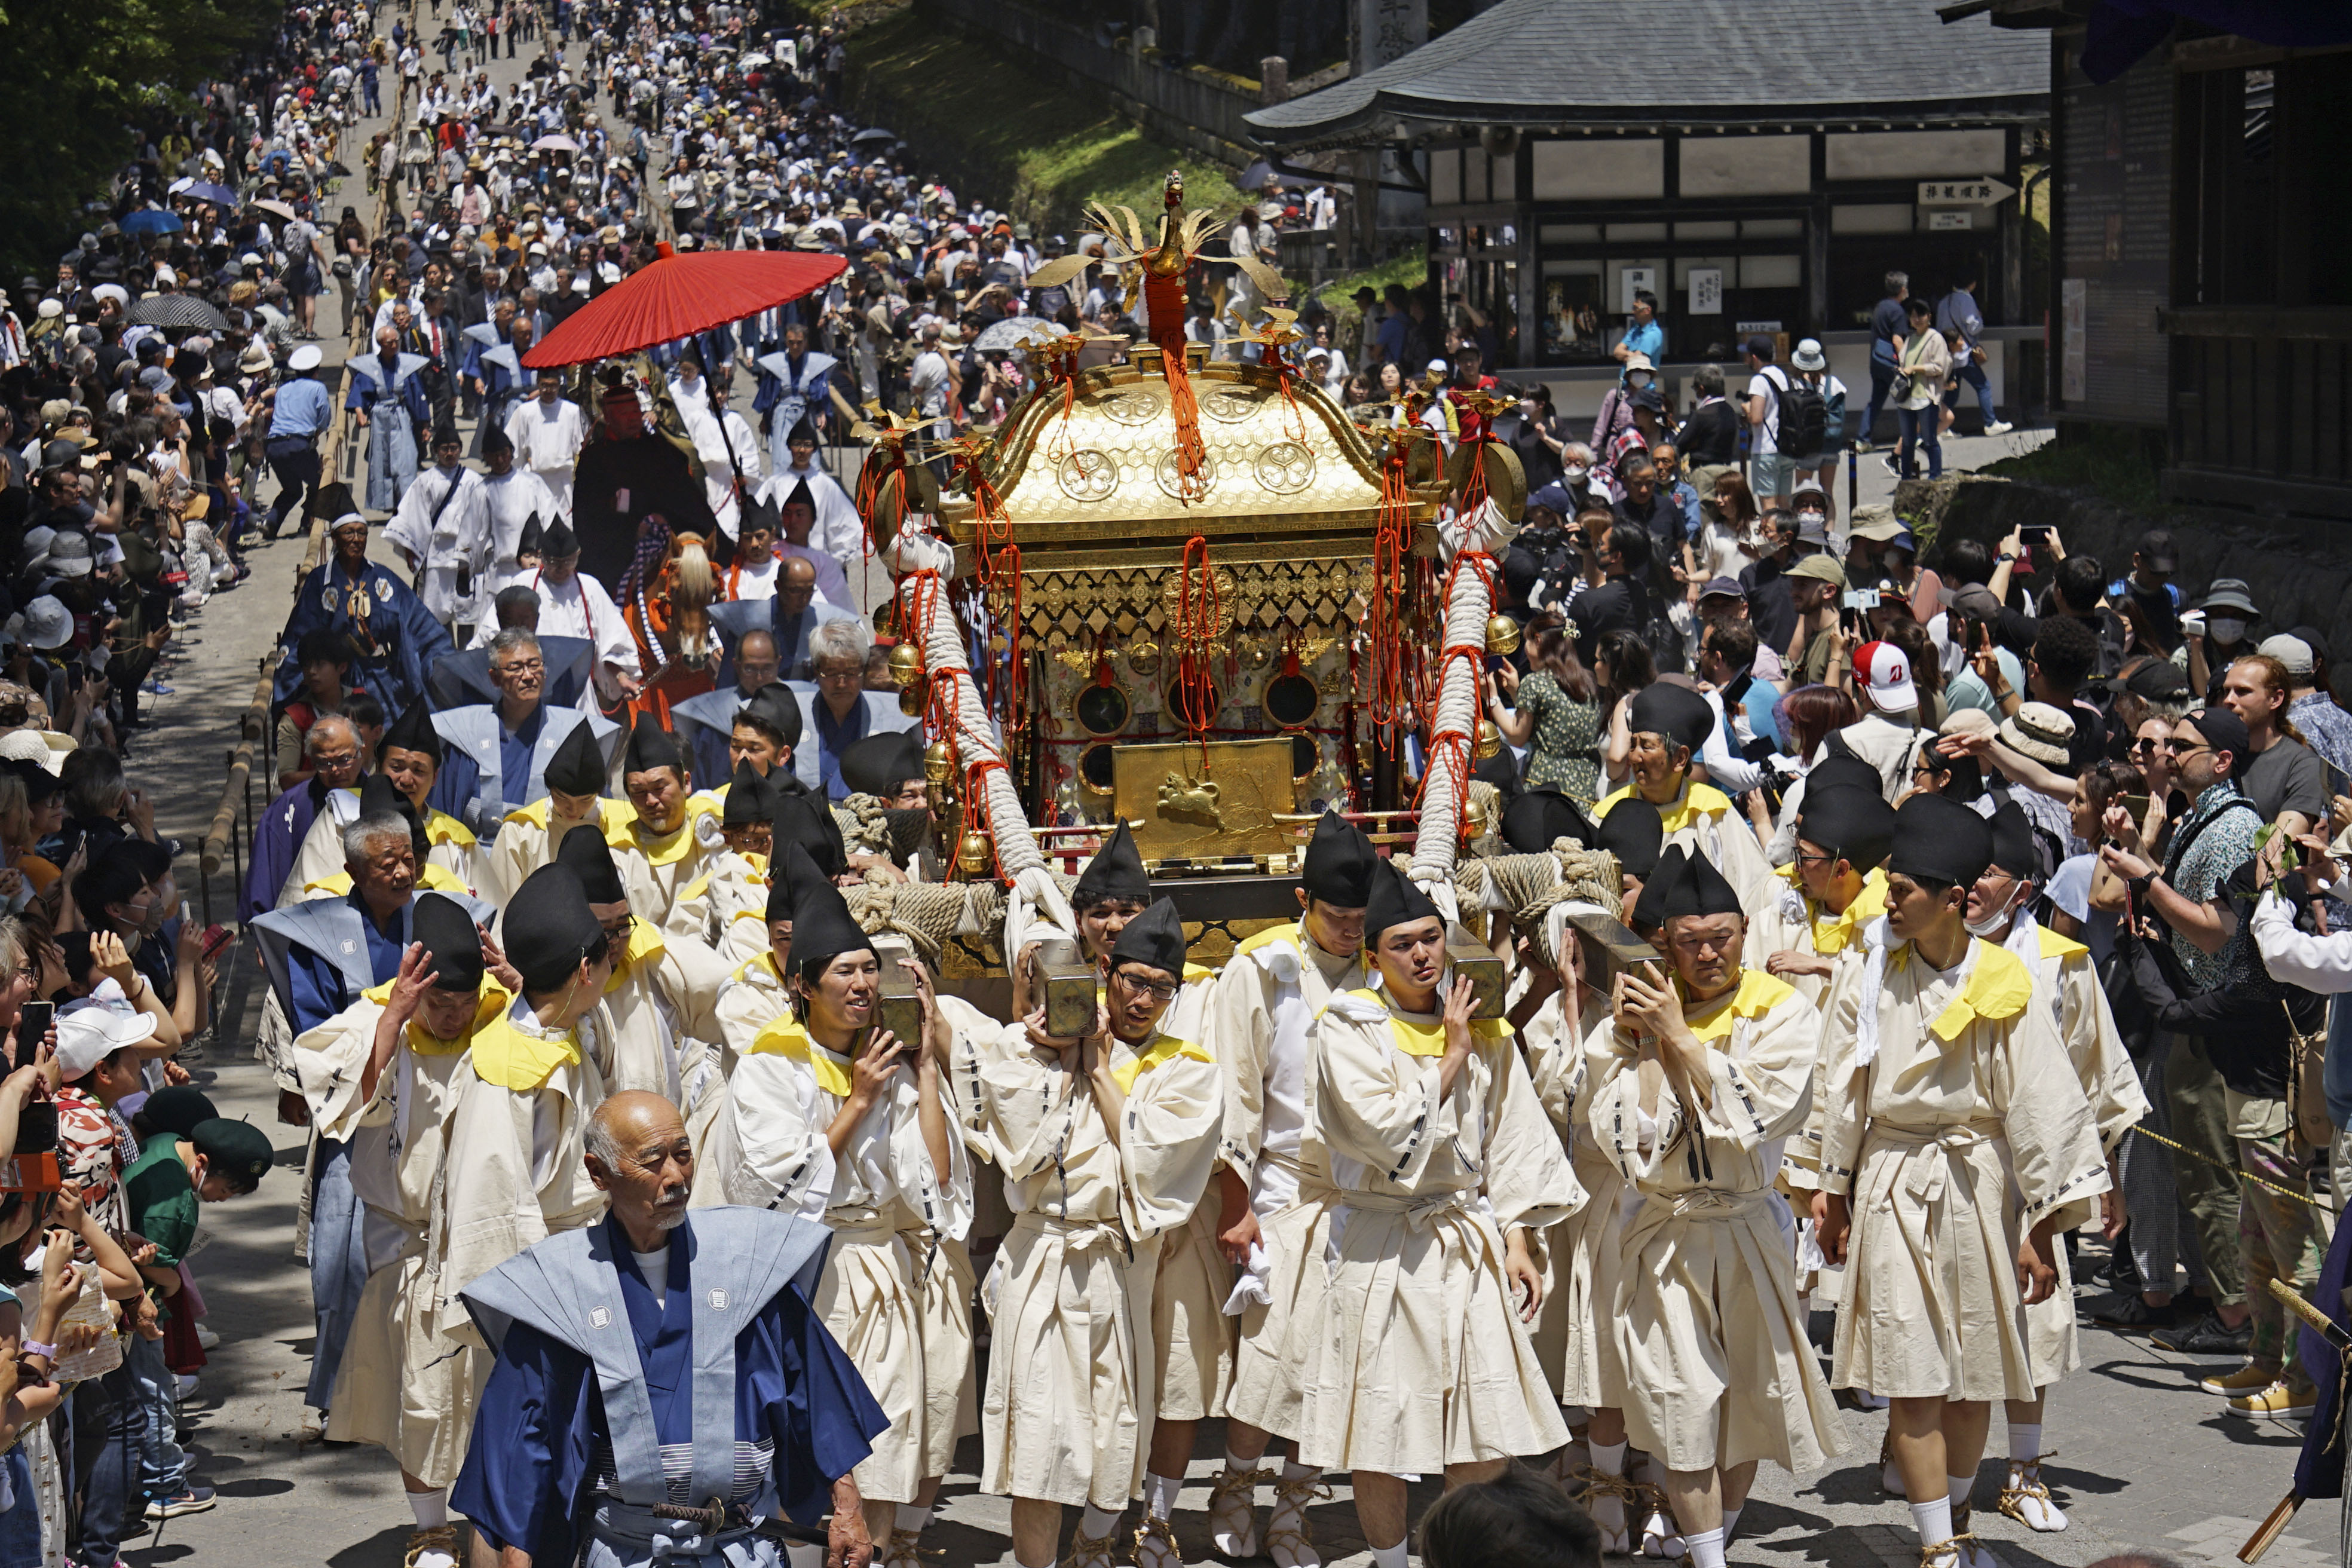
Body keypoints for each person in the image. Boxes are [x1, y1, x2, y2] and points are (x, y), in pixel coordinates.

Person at [1812, 794, 2109, 1568]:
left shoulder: (2004, 979)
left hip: (1979, 1183)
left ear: (1954, 898)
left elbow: (2042, 1103)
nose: (1889, 899)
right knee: (1912, 1374)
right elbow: (1840, 1084)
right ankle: (1938, 1545)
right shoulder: (1866, 964)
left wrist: (2040, 1227)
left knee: (1974, 1375)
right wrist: (1830, 1189)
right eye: (1889, 883)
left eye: (1906, 889)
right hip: (1891, 1172)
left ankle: (1962, 1515)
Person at [451, 1089, 889, 1568]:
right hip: (625, 1549)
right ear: (599, 1173)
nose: (676, 1177)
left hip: (741, 1547)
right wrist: (519, 1553)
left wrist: (848, 1509)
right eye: (652, 1162)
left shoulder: (748, 1265)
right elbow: (518, 1438)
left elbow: (817, 1394)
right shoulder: (560, 1287)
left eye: (683, 1155)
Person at [1298, 862, 1580, 1568]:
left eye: (1432, 938)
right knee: (1380, 1428)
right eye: (1403, 944)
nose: (1423, 955)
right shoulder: (1349, 1028)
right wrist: (1449, 1056)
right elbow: (1383, 1132)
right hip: (1382, 1240)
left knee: (1480, 1424)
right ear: (1373, 958)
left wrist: (1518, 1237)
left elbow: (1513, 1138)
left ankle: (1470, 1557)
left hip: (1462, 1239)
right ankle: (1391, 1562)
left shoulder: (1484, 1029)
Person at [702, 860, 974, 1566]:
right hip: (812, 1271)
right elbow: (772, 1186)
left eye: (867, 969)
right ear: (802, 985)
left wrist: (926, 1073)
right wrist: (855, 1103)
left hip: (880, 1263)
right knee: (821, 1458)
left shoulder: (887, 1055)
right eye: (842, 972)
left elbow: (936, 1184)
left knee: (887, 1443)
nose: (860, 985)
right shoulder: (772, 1064)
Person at [1590, 847, 1842, 1568]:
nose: (1709, 954)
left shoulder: (1778, 1007)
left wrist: (1677, 1036)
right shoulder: (1636, 1010)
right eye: (1691, 941)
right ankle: (1710, 1559)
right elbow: (1628, 1139)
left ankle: (1715, 1527)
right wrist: (1642, 1043)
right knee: (1680, 1399)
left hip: (1747, 1220)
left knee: (1746, 1404)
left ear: (1743, 931)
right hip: (1668, 1230)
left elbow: (1768, 1108)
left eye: (1723, 937)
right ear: (1665, 942)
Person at [291, 893, 510, 1568]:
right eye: (441, 1002)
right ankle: (432, 1528)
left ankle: (495, 1515)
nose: (455, 1014)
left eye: (465, 1000)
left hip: (492, 1235)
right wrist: (392, 1018)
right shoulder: (377, 1016)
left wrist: (523, 995)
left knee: (497, 1387)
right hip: (408, 1240)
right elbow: (332, 1100)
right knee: (424, 1390)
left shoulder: (505, 1018)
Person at [1961, 803, 2148, 1530]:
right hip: (1955, 1163)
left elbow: (2099, 1082)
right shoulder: (1935, 952)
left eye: (1990, 872)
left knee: (2032, 1322)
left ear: (2025, 888)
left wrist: (2107, 1182)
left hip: (2037, 1167)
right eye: (1969, 870)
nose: (1974, 885)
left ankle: (2025, 1472)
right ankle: (1914, 1441)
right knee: (1947, 1311)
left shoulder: (2065, 964)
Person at [1200, 811, 1374, 1568]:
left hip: (1364, 1192)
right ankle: (1237, 1484)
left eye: (1362, 920)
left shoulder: (1384, 961)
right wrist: (1237, 1204)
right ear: (1303, 900)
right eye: (1337, 917)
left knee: (1342, 1362)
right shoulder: (1258, 965)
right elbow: (1234, 1088)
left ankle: (1295, 1506)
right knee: (1271, 1357)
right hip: (1281, 1184)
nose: (1350, 932)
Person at [430, 628, 618, 840]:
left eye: (534, 665)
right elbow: (446, 818)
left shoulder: (573, 732)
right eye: (515, 667)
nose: (528, 676)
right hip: (479, 858)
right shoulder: (466, 734)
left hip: (551, 855)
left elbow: (598, 810)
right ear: (495, 678)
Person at [275, 504, 455, 720]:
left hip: (382, 684)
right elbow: (300, 637)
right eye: (349, 533)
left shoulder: (383, 579)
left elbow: (421, 625)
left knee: (387, 739)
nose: (356, 539)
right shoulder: (320, 583)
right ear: (334, 537)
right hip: (336, 687)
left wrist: (445, 662)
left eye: (362, 533)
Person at [387, 422, 492, 635]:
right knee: (436, 613)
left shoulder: (474, 481)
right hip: (437, 556)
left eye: (454, 448)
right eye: (444, 449)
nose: (450, 453)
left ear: (460, 449)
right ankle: (444, 658)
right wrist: (411, 552)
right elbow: (411, 517)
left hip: (465, 558)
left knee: (467, 614)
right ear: (435, 451)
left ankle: (465, 657)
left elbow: (485, 518)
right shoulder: (425, 482)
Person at [1487, 624, 1604, 804]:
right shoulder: (1586, 680)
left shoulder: (1535, 683)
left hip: (1546, 784)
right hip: (1585, 785)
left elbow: (1517, 736)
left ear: (1538, 640)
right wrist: (1517, 693)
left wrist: (1492, 697)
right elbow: (1551, 716)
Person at [347, 325, 433, 513]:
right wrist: (360, 412)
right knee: (382, 460)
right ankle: (387, 502)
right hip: (379, 416)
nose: (394, 345)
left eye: (397, 341)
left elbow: (418, 395)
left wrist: (425, 425)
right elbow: (359, 392)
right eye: (389, 342)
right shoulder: (369, 367)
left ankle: (406, 502)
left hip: (401, 415)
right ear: (380, 344)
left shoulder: (406, 365)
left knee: (406, 460)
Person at [262, 342, 331, 539]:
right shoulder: (318, 387)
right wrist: (318, 432)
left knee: (292, 490)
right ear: (316, 372)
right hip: (299, 444)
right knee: (319, 483)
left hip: (274, 446)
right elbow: (324, 415)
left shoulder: (283, 389)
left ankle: (270, 523)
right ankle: (307, 525)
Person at [503, 369, 586, 519]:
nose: (549, 390)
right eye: (544, 386)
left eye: (553, 386)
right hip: (536, 478)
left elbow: (578, 448)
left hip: (563, 481)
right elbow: (514, 448)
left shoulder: (572, 411)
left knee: (565, 527)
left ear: (559, 386)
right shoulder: (525, 412)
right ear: (538, 384)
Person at [1936, 273, 2010, 437]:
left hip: (1949, 354)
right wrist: (1980, 320)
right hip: (1964, 353)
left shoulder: (1943, 302)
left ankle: (1942, 427)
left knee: (1952, 391)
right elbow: (1973, 327)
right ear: (1973, 284)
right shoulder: (1967, 300)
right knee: (1983, 386)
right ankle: (1991, 423)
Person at [1892, 298, 1952, 481]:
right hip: (1907, 398)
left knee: (1930, 440)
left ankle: (1935, 478)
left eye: (1921, 315)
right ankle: (1907, 480)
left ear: (1929, 317)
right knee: (1908, 442)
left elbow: (1939, 367)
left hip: (1926, 396)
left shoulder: (1936, 339)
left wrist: (1916, 369)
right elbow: (1903, 361)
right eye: (1913, 316)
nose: (1917, 319)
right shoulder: (1910, 339)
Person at [1742, 336, 1795, 505]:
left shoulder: (1759, 380)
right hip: (1787, 448)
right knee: (1784, 506)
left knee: (1769, 507)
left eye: (1748, 356)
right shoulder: (1785, 377)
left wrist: (1747, 410)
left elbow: (1756, 418)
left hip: (1766, 449)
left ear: (1754, 357)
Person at [1860, 271, 1909, 453]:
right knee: (1906, 399)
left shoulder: (1880, 307)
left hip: (1877, 360)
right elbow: (1897, 340)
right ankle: (1910, 436)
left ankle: (1862, 439)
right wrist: (1905, 363)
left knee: (1876, 401)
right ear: (1903, 289)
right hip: (1892, 363)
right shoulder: (1898, 311)